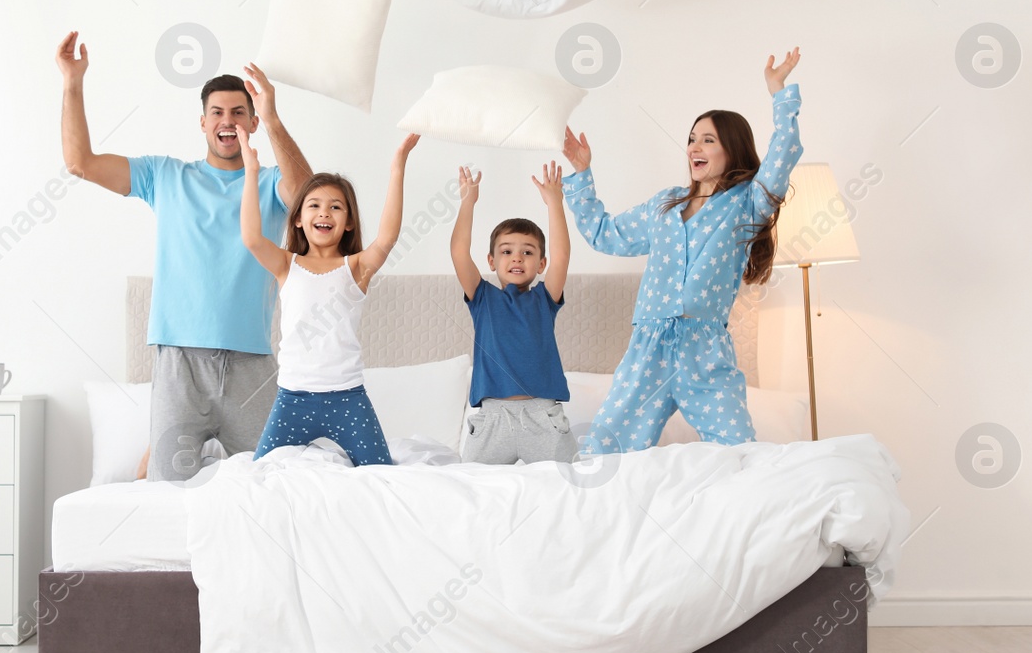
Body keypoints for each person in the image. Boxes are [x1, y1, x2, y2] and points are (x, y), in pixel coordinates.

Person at [55, 31, 313, 480]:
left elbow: (310, 196)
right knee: (166, 488)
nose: (227, 120)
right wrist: (72, 82)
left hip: (251, 366)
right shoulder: (164, 175)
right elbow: (81, 162)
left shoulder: (269, 182)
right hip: (179, 363)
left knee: (278, 481)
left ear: (250, 123)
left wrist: (272, 119)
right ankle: (153, 461)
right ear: (203, 123)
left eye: (239, 112)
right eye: (217, 112)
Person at [560, 47, 805, 451]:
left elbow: (783, 154)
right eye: (692, 139)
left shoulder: (748, 202)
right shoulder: (664, 205)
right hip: (648, 346)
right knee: (602, 451)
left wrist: (780, 94)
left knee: (738, 449)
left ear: (731, 149)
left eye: (708, 140)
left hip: (704, 349)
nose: (695, 147)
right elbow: (605, 234)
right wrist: (582, 174)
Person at [236, 125, 420, 466]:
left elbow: (387, 238)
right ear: (298, 219)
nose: (324, 213)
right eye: (315, 205)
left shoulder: (356, 267)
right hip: (293, 399)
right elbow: (251, 237)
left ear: (348, 222)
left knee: (382, 475)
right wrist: (250, 171)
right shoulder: (286, 264)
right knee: (259, 477)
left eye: (336, 207)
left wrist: (398, 166)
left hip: (348, 399)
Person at [448, 161, 575, 464]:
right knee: (471, 491)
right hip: (493, 419)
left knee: (569, 491)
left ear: (540, 264)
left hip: (543, 417)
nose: (517, 257)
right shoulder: (482, 297)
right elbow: (458, 252)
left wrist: (554, 203)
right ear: (491, 260)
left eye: (528, 252)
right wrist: (468, 201)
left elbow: (562, 255)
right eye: (506, 251)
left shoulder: (544, 298)